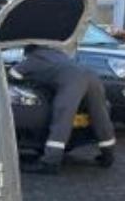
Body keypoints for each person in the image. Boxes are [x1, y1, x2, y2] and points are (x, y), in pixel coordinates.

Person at [15, 44, 115, 174]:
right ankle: (108, 155)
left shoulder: (34, 59)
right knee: (100, 116)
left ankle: (50, 162)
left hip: (72, 80)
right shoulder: (59, 54)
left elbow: (13, 74)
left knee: (62, 118)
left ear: (28, 51)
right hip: (91, 75)